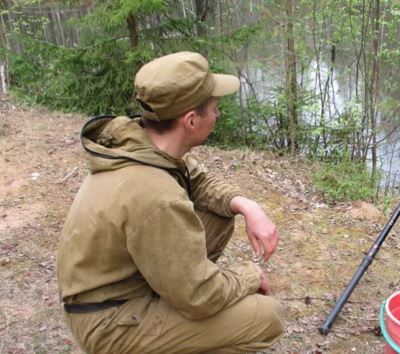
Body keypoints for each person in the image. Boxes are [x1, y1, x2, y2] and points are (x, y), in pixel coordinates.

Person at [57, 51, 284, 354]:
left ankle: (171, 301)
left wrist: (246, 205)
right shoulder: (156, 194)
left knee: (218, 213)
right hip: (110, 322)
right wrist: (249, 276)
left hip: (116, 291)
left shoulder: (143, 146)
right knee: (264, 317)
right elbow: (201, 295)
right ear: (191, 120)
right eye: (214, 108)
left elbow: (200, 183)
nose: (217, 115)